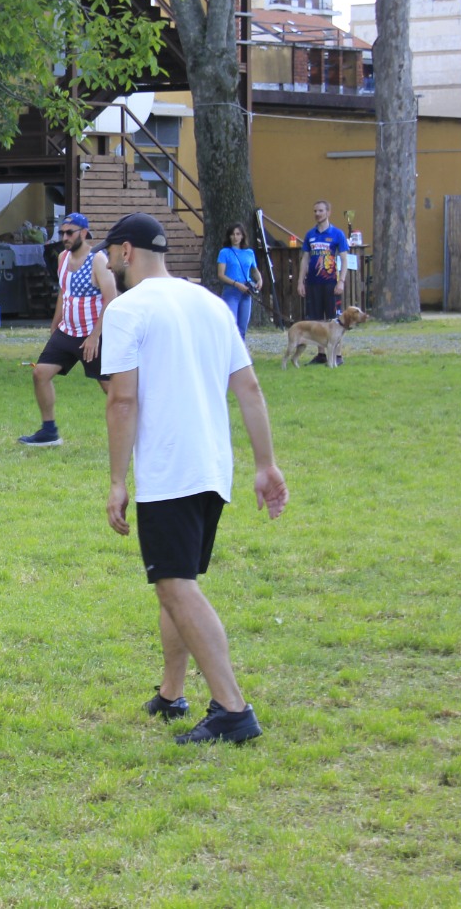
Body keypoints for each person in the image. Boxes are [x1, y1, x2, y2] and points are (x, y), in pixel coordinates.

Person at [98, 213, 288, 745]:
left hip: (168, 468)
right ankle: (171, 693)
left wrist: (117, 480)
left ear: (127, 252)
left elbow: (122, 399)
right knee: (178, 581)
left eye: (111, 253)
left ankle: (232, 709)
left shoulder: (127, 309)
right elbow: (250, 389)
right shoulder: (209, 302)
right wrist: (264, 464)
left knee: (175, 585)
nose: (109, 262)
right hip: (212, 468)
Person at [18, 212, 117, 447]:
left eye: (69, 233)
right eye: (62, 233)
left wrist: (95, 336)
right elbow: (65, 292)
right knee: (40, 374)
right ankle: (49, 432)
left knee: (111, 389)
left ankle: (136, 434)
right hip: (67, 332)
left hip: (93, 335)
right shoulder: (62, 257)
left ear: (84, 233)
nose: (64, 237)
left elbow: (111, 298)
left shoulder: (98, 260)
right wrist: (55, 324)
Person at [296, 200, 349, 363]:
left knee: (334, 319)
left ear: (328, 212)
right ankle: (321, 354)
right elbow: (305, 259)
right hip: (313, 283)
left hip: (331, 283)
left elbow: (344, 259)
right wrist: (300, 282)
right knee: (316, 320)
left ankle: (337, 355)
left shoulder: (337, 234)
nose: (317, 214)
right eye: (315, 211)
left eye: (320, 211)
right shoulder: (310, 235)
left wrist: (341, 281)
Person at [217, 222, 263, 341]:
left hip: (246, 291)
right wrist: (236, 284)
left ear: (242, 236)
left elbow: (254, 270)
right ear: (229, 237)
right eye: (232, 234)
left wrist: (259, 279)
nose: (235, 237)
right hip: (231, 290)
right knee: (231, 325)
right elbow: (221, 274)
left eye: (238, 234)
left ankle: (241, 354)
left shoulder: (249, 253)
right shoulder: (225, 252)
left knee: (243, 327)